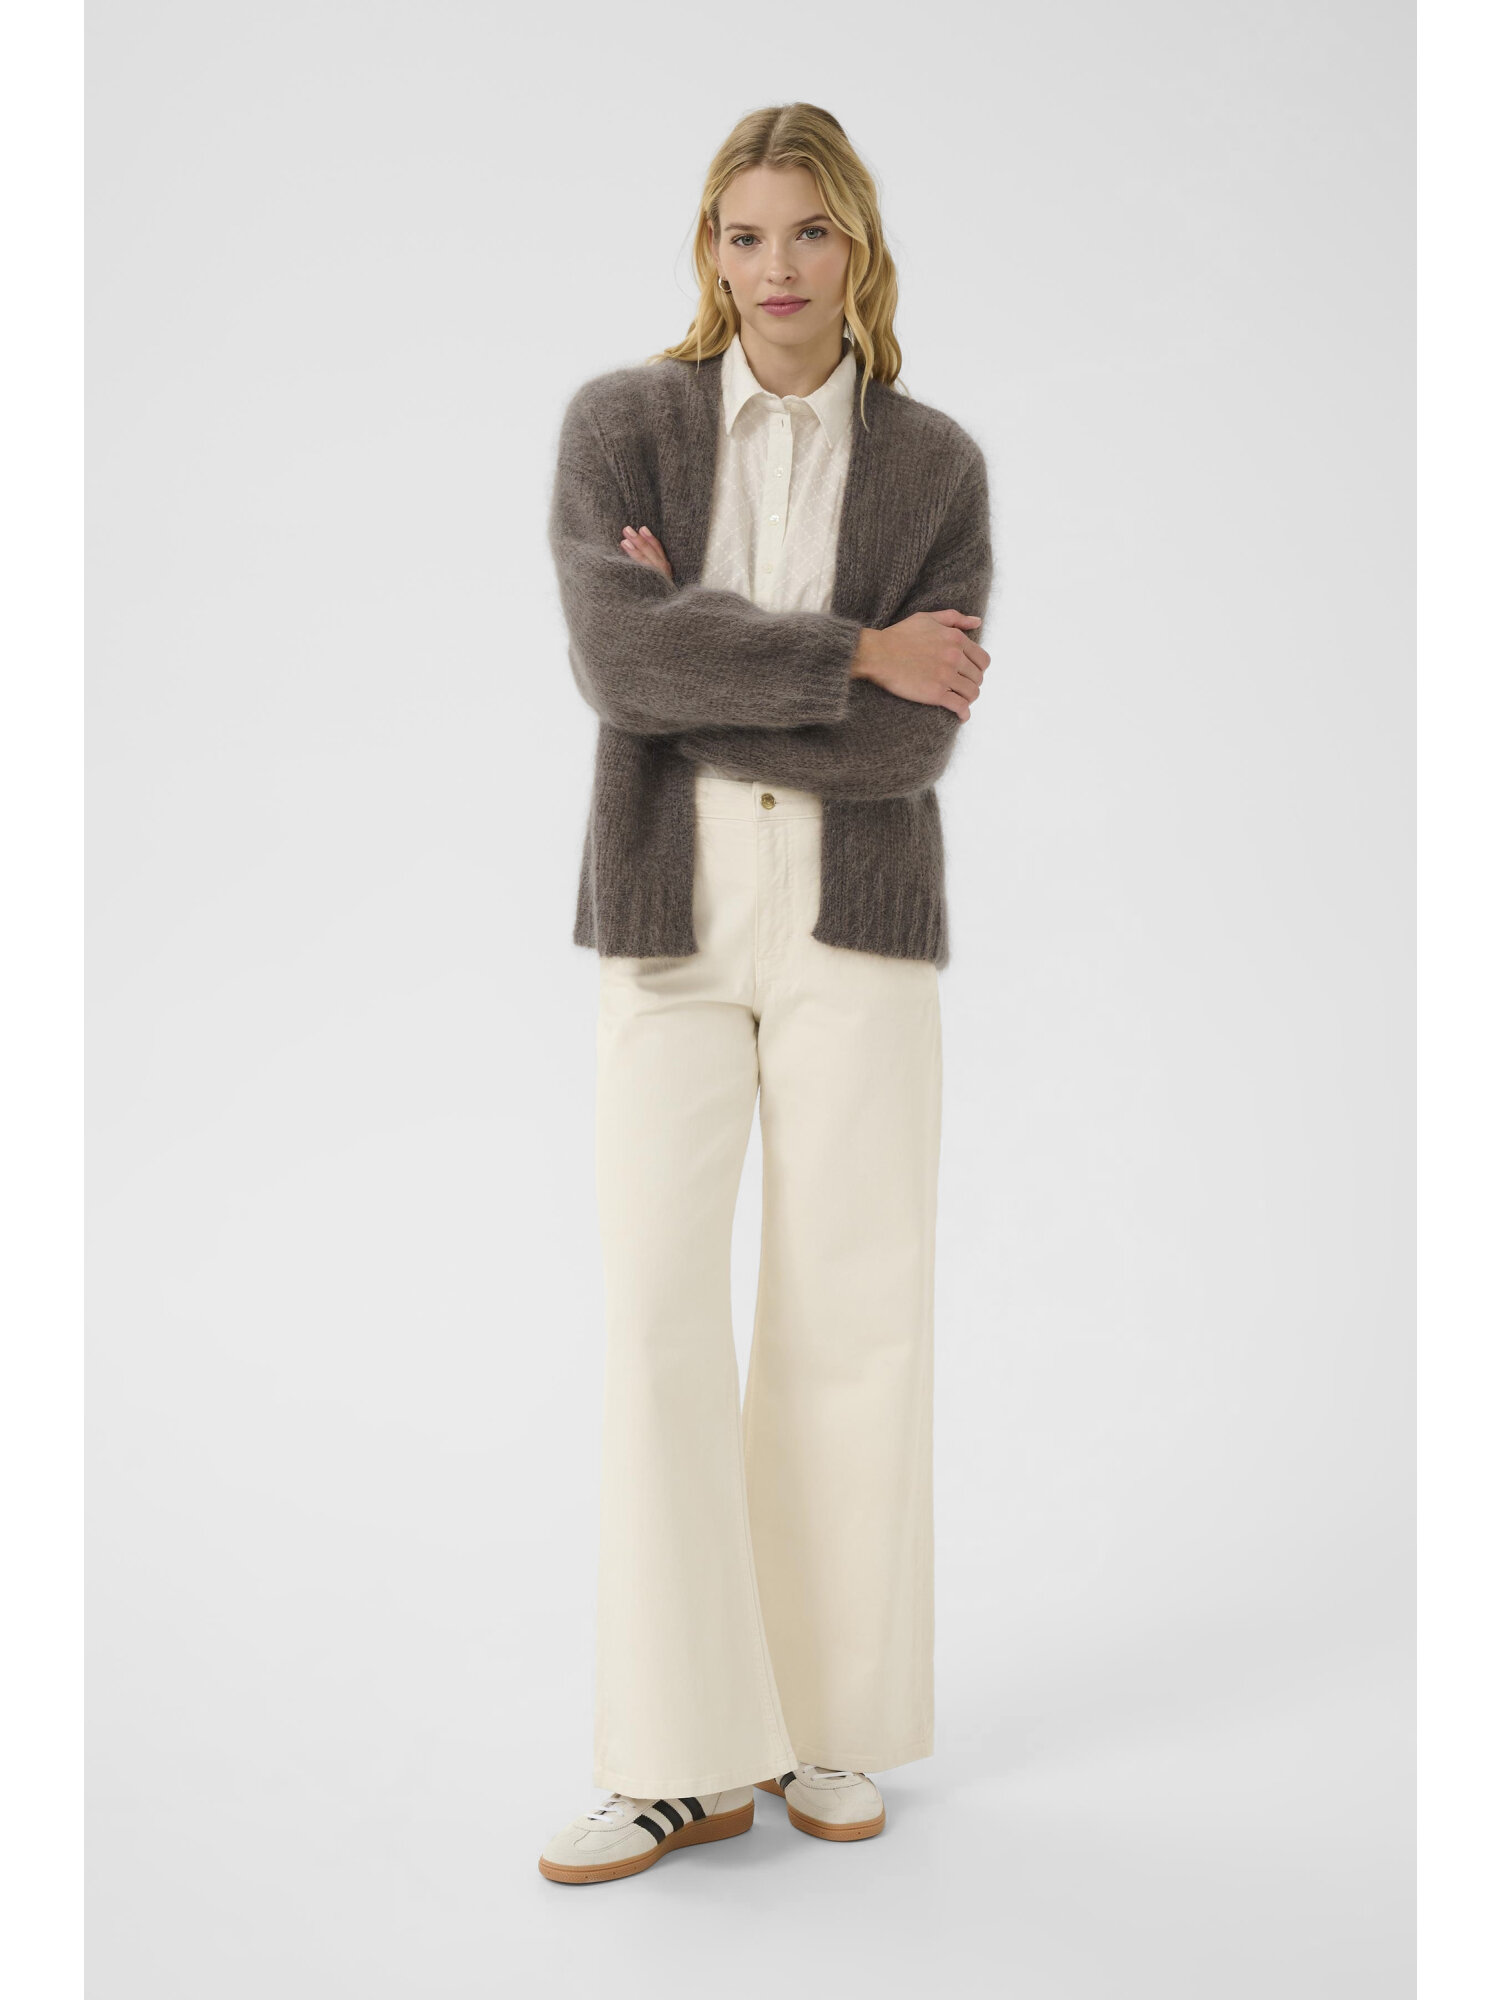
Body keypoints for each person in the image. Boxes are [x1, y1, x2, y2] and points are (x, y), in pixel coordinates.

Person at [540, 101, 994, 1884]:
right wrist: (848, 649)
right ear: (708, 253)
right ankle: (673, 1758)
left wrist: (704, 659)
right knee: (658, 1311)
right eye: (745, 235)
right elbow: (612, 660)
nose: (777, 268)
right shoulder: (624, 427)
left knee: (852, 1313)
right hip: (670, 919)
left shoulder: (936, 464)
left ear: (856, 246)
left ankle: (827, 1722)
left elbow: (909, 746)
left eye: (808, 232)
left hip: (855, 922)